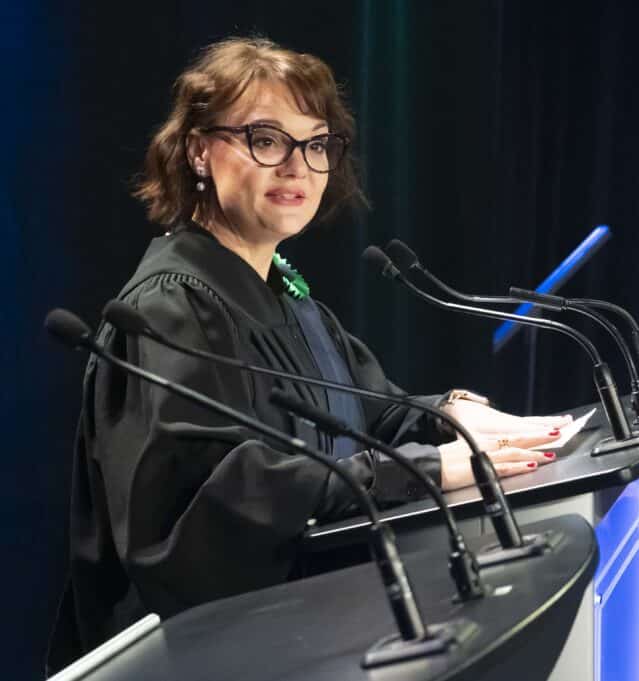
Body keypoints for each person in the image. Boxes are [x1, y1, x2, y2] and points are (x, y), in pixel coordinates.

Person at [51, 37, 568, 664]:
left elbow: (365, 414)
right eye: (267, 139)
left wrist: (450, 416)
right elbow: (203, 509)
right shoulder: (170, 308)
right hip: (200, 658)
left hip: (308, 633)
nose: (297, 167)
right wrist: (424, 470)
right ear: (198, 151)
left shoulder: (285, 293)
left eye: (316, 144)